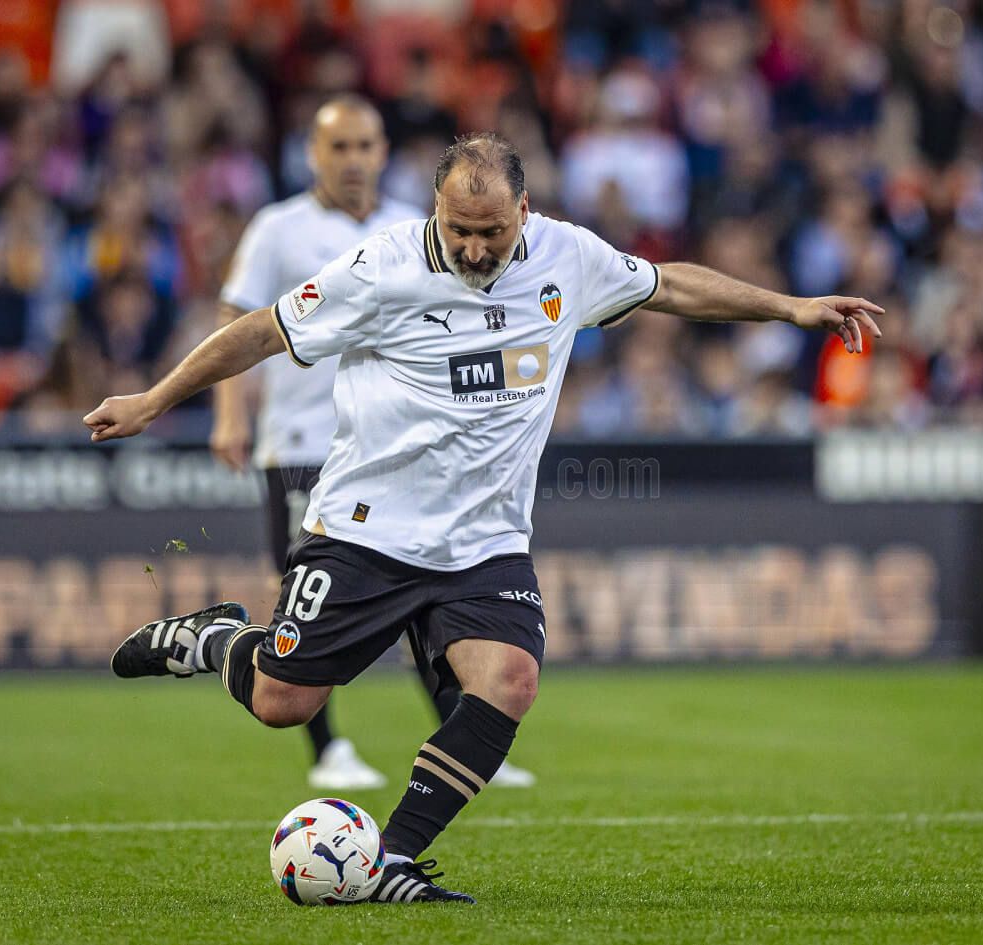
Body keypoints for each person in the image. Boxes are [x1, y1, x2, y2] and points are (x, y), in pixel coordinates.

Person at [85, 133, 881, 903]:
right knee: (280, 701)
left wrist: (791, 307)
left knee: (510, 680)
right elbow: (263, 329)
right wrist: (155, 399)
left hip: (485, 542)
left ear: (525, 211)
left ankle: (389, 856)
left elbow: (667, 284)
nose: (471, 249)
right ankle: (212, 638)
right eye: (457, 230)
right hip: (366, 529)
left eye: (491, 232)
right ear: (435, 210)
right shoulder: (380, 268)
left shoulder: (567, 256)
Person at [209, 94, 536, 790]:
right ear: (313, 154)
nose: (353, 160)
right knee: (304, 597)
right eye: (339, 147)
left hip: (390, 448)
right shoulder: (277, 228)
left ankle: (457, 727)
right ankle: (327, 746)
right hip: (300, 435)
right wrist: (228, 414)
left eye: (364, 146)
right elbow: (241, 319)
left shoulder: (420, 229)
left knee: (427, 588)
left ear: (385, 153)